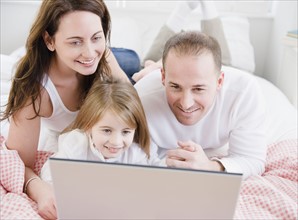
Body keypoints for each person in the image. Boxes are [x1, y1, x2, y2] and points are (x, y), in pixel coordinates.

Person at [0, 0, 129, 219]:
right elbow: (19, 164)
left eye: (97, 38)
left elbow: (133, 108)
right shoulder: (35, 90)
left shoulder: (102, 56)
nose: (89, 52)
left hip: (123, 58)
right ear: (49, 40)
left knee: (136, 64)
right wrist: (40, 190)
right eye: (75, 42)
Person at [134, 31, 267, 180]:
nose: (186, 103)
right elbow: (135, 160)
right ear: (163, 77)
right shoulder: (140, 98)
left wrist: (210, 167)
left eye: (198, 89)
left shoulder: (244, 92)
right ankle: (150, 68)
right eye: (176, 87)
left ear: (219, 82)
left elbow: (252, 159)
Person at [40, 78, 156, 183]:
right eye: (107, 131)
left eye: (126, 132)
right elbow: (50, 174)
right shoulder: (76, 144)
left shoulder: (135, 153)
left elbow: (154, 176)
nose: (116, 142)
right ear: (88, 126)